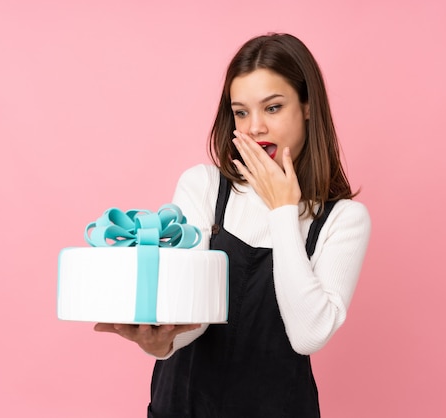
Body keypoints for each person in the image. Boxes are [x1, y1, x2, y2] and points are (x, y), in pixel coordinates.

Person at [94, 32, 371, 417]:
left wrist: (282, 211)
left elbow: (308, 335)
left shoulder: (343, 219)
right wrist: (162, 343)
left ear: (307, 106)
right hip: (182, 406)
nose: (254, 127)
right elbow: (193, 316)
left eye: (272, 108)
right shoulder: (204, 187)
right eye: (241, 112)